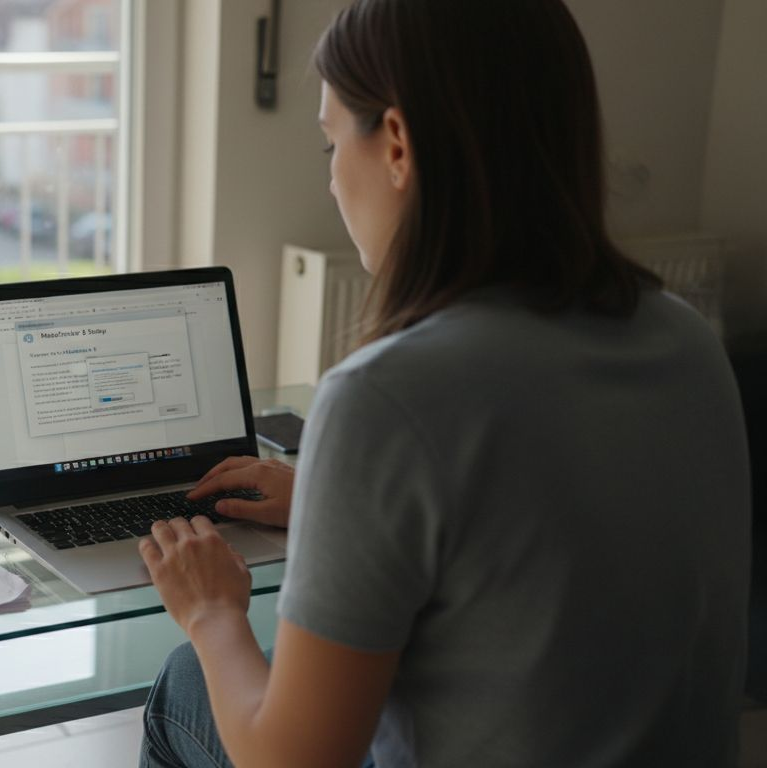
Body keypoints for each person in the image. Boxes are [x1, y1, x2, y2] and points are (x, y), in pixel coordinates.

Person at [135, 0, 752, 766]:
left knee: (187, 677)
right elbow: (543, 531)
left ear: (396, 144)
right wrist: (335, 502)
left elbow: (290, 760)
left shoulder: (388, 396)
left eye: (331, 141)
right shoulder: (685, 340)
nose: (331, 181)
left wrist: (211, 608)